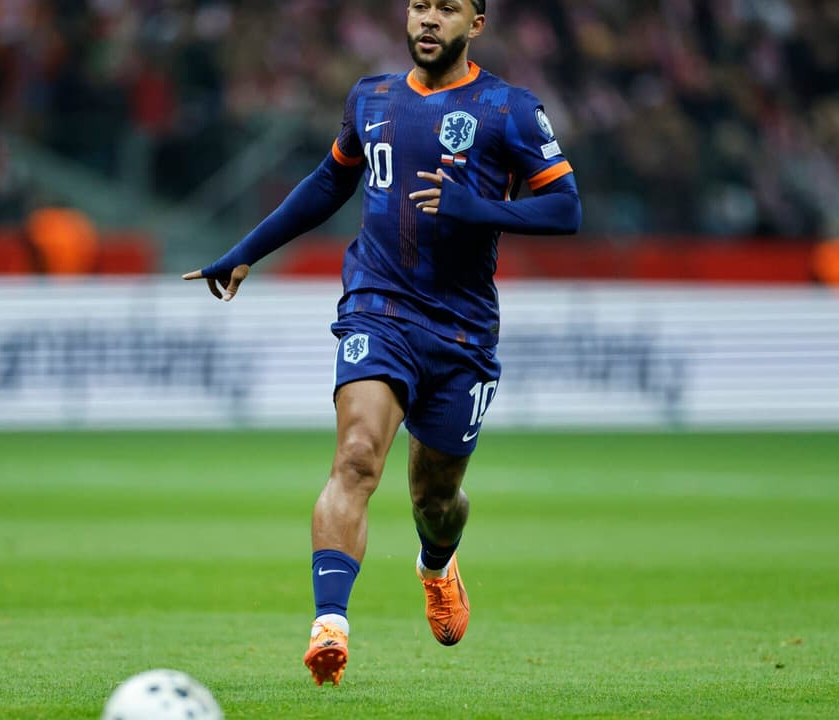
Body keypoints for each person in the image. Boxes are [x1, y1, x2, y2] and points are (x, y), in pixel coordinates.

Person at [183, 0, 581, 686]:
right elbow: (329, 182)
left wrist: (477, 208)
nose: (429, 19)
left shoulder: (508, 109)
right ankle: (329, 625)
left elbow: (565, 206)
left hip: (461, 332)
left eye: (447, 9)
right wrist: (246, 251)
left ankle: (436, 562)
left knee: (436, 495)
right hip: (378, 308)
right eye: (420, 5)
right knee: (358, 456)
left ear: (475, 24)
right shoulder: (371, 99)